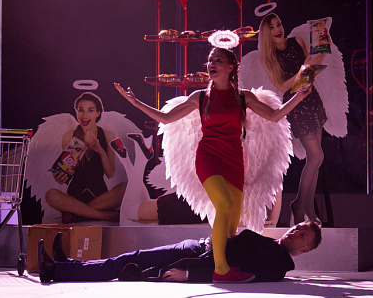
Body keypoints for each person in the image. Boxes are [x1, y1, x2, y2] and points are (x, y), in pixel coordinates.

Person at [115, 45, 310, 283]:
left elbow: (275, 115)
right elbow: (166, 118)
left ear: (231, 67)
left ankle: (213, 263)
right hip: (208, 158)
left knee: (231, 224)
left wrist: (299, 96)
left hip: (235, 162)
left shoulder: (243, 97)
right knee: (224, 206)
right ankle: (221, 270)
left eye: (217, 60)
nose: (211, 64)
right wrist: (135, 102)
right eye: (209, 60)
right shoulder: (200, 97)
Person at [37, 219, 322, 283]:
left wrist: (189, 275)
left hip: (195, 258)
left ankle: (57, 271)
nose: (295, 232)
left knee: (131, 261)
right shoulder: (272, 246)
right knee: (132, 258)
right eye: (297, 227)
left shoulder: (277, 265)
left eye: (302, 235)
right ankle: (68, 265)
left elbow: (239, 274)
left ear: (305, 249)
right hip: (197, 246)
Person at [258, 13, 329, 225]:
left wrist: (323, 50)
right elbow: (281, 86)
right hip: (296, 105)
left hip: (312, 99)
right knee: (316, 157)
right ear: (266, 33)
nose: (277, 29)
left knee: (314, 160)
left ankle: (308, 208)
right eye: (272, 27)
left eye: (278, 24)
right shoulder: (267, 58)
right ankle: (299, 205)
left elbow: (311, 68)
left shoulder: (297, 41)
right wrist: (303, 70)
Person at [45, 92, 124, 223]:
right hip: (74, 198)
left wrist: (101, 151)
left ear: (98, 113)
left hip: (100, 198)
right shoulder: (68, 136)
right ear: (76, 112)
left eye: (90, 110)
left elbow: (110, 173)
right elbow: (66, 171)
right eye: (81, 110)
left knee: (125, 188)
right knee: (51, 195)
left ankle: (78, 214)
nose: (84, 115)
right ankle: (104, 216)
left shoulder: (108, 135)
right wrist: (60, 176)